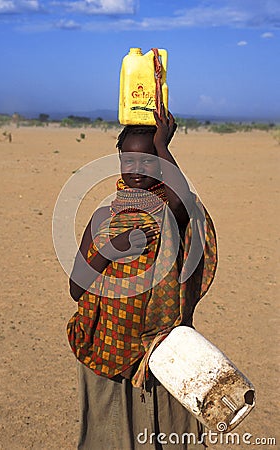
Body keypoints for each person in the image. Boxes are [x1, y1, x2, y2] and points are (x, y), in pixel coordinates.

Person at [67, 105, 217, 450]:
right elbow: (76, 289)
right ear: (118, 160)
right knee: (113, 433)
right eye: (128, 160)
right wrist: (110, 251)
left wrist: (164, 145)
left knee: (165, 432)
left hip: (161, 351)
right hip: (106, 347)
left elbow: (185, 202)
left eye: (149, 161)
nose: (137, 169)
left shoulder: (168, 214)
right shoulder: (103, 217)